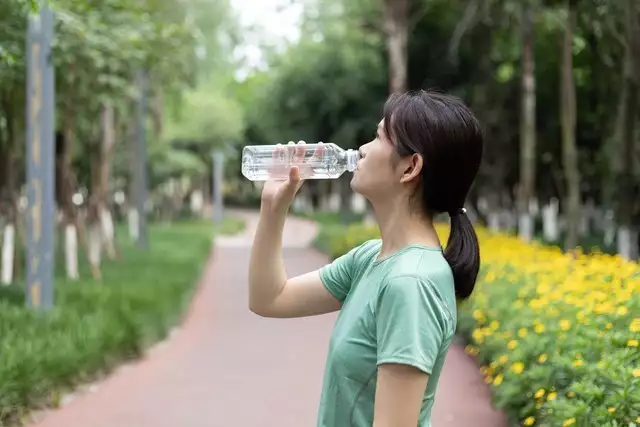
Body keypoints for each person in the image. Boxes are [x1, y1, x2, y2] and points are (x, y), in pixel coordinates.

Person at [248, 89, 483, 427]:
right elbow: (270, 298)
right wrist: (273, 208)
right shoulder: (372, 257)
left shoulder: (411, 285)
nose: (361, 149)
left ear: (410, 167)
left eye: (377, 137)